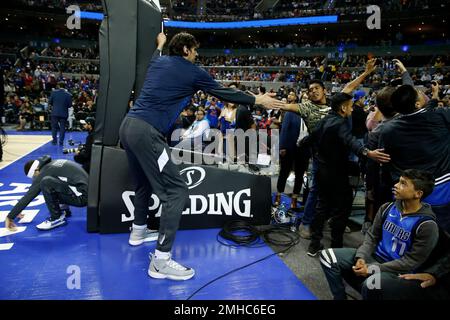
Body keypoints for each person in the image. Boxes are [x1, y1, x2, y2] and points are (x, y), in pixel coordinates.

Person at [119, 32, 284, 281]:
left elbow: (156, 54)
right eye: (195, 50)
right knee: (176, 192)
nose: (197, 55)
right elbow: (222, 92)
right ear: (186, 50)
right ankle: (161, 261)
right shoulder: (192, 71)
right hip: (146, 133)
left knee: (142, 182)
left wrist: (160, 45)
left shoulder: (158, 61)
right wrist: (256, 99)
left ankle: (138, 232)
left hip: (128, 127)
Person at [280, 58, 378, 239]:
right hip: (320, 157)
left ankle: (333, 220)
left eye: (316, 88)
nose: (313, 91)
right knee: (317, 189)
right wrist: (259, 100)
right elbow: (284, 105)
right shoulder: (305, 107)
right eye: (309, 90)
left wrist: (366, 73)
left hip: (342, 155)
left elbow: (349, 87)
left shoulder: (335, 102)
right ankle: (307, 223)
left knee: (340, 189)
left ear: (325, 90)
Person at [320, 169, 439, 300]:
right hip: (375, 257)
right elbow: (372, 236)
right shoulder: (387, 208)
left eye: (403, 184)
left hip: (395, 271)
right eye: (398, 181)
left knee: (371, 285)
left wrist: (373, 268)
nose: (396, 185)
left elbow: (411, 262)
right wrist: (361, 256)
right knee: (327, 257)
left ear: (418, 193)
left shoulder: (427, 224)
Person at [306, 92, 391, 256]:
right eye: (351, 106)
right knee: (342, 208)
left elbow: (309, 138)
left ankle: (314, 244)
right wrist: (367, 152)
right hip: (336, 172)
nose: (352, 110)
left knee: (321, 206)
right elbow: (349, 140)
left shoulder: (325, 120)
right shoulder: (340, 123)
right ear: (343, 108)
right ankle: (336, 246)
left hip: (321, 170)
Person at [380, 82, 450, 231]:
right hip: (440, 191)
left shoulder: (387, 130)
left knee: (408, 238)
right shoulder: (440, 117)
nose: (421, 91)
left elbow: (386, 163)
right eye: (418, 92)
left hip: (406, 194)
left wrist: (435, 97)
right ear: (417, 104)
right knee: (440, 239)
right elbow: (426, 114)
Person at [5, 156, 88, 231]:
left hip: (82, 198)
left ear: (36, 170)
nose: (35, 178)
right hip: (87, 193)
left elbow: (30, 195)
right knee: (53, 183)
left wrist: (10, 216)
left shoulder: (44, 171)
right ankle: (63, 209)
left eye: (34, 176)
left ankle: (56, 218)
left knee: (45, 182)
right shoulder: (52, 164)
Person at [49, 82, 72, 146]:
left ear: (58, 86)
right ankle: (61, 142)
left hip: (55, 113)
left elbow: (50, 102)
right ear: (65, 86)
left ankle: (54, 141)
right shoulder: (68, 95)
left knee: (54, 127)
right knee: (62, 128)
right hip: (63, 113)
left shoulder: (53, 93)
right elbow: (70, 105)